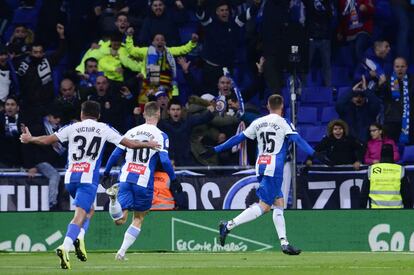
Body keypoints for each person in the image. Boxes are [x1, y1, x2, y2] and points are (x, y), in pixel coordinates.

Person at [19, 100, 160, 270]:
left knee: (89, 210)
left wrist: (30, 138)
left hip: (70, 178)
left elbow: (47, 140)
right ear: (98, 115)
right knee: (79, 216)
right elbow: (130, 144)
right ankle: (65, 246)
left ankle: (80, 237)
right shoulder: (103, 128)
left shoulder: (72, 127)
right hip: (87, 179)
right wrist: (148, 144)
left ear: (81, 113)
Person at [202, 94, 328, 255]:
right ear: (282, 106)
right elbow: (298, 140)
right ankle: (228, 226)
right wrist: (314, 154)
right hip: (274, 168)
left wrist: (215, 149)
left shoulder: (258, 122)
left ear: (268, 106)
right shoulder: (284, 123)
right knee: (264, 206)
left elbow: (238, 138)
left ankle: (284, 243)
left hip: (261, 165)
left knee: (279, 203)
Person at [102, 101, 178, 260]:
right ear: (158, 114)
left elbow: (116, 154)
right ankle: (121, 253)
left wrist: (107, 172)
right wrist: (174, 179)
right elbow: (164, 161)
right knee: (139, 217)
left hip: (125, 177)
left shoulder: (131, 132)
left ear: (144, 114)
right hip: (143, 180)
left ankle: (113, 201)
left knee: (120, 220)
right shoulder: (161, 135)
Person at [360, 144, 413, 208]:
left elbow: (363, 196)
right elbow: (407, 196)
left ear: (381, 154)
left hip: (375, 213)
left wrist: (361, 213)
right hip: (397, 214)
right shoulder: (400, 170)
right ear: (392, 154)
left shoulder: (372, 170)